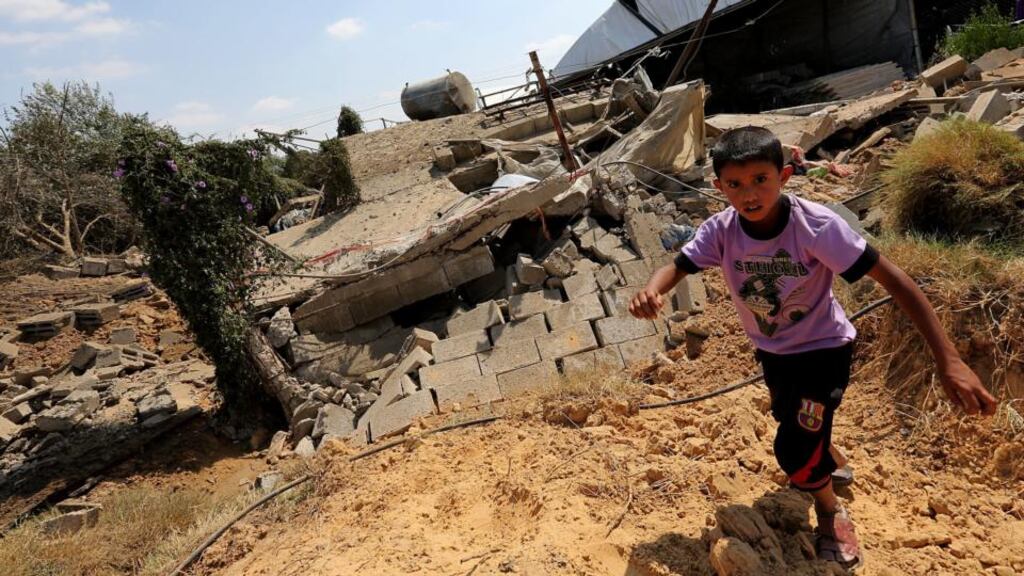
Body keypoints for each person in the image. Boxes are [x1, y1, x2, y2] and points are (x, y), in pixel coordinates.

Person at [628, 126, 997, 569]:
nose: (749, 194)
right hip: (774, 352)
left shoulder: (816, 227)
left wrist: (949, 359)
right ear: (718, 186)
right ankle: (827, 452)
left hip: (824, 350)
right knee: (795, 419)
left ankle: (829, 510)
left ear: (783, 176)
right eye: (735, 184)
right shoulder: (722, 231)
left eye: (761, 179)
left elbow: (898, 283)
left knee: (793, 451)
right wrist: (653, 290)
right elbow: (678, 264)